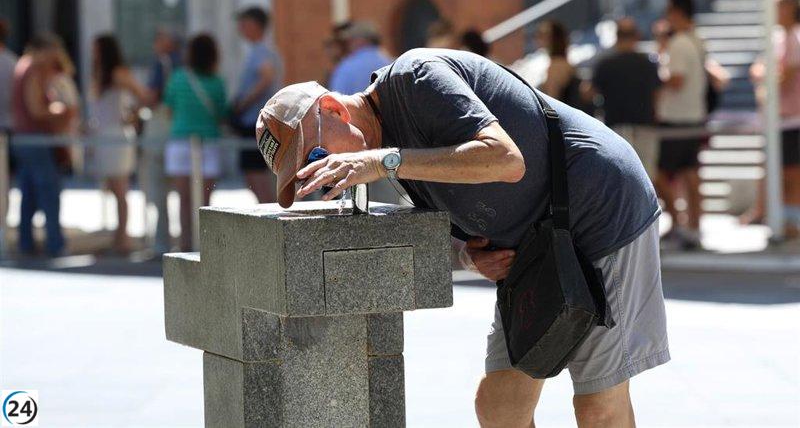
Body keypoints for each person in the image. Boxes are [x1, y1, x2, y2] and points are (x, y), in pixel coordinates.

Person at [256, 48, 669, 427]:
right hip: (537, 245)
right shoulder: (381, 152)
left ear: (332, 109)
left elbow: (506, 160)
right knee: (500, 408)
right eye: (309, 172)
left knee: (598, 403)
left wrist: (382, 161)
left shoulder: (415, 79)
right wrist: (470, 258)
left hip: (600, 207)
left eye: (314, 155)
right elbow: (453, 213)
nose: (325, 169)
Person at [164, 34, 228, 252]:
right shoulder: (217, 82)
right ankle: (204, 245)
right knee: (204, 201)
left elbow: (168, 108)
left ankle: (184, 245)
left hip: (180, 142)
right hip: (208, 143)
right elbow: (221, 114)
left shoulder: (178, 78)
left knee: (183, 199)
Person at [743, 0, 800, 236]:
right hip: (776, 119)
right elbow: (758, 68)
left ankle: (792, 220)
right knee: (775, 168)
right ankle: (772, 213)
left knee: (791, 172)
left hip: (793, 118)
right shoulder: (777, 39)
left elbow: (784, 78)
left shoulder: (796, 38)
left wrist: (766, 82)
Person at [12, 35, 72, 257]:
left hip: (25, 139)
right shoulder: (31, 69)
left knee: (28, 194)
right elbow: (36, 110)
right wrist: (58, 110)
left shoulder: (23, 66)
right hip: (34, 139)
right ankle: (55, 242)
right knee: (49, 191)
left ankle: (26, 242)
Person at [655, 0, 707, 250]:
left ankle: (679, 222)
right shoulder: (696, 41)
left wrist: (654, 84)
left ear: (676, 12)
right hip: (694, 115)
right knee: (690, 173)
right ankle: (693, 226)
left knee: (658, 173)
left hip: (675, 119)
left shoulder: (680, 44)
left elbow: (676, 80)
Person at [90, 34, 148, 255]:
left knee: (120, 188)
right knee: (112, 188)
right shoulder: (102, 74)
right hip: (105, 135)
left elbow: (141, 95)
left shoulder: (117, 73)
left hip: (116, 136)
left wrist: (132, 116)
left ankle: (123, 239)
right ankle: (118, 237)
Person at [588, 18, 662, 179]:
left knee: (619, 177)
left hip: (616, 126)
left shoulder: (605, 64)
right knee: (646, 178)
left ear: (617, 37)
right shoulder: (648, 64)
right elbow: (658, 94)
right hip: (645, 125)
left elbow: (590, 93)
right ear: (636, 36)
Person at [231, 6, 283, 203]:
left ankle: (270, 218)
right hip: (259, 122)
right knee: (255, 176)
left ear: (255, 25)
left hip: (256, 122)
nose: (240, 28)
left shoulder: (261, 51)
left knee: (256, 176)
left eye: (244, 23)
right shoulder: (260, 50)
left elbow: (266, 77)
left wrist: (243, 104)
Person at [141, 28, 181, 253]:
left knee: (158, 189)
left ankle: (161, 242)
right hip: (181, 133)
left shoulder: (161, 64)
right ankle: (189, 238)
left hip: (160, 132)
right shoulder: (187, 65)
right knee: (187, 191)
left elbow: (151, 96)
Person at [328, 21, 391, 96]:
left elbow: (336, 98)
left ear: (361, 40)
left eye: (351, 40)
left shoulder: (347, 66)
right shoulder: (390, 62)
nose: (349, 44)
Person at [0, 20, 18, 221]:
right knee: (4, 184)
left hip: (7, 130)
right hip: (10, 129)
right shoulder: (13, 63)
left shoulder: (12, 64)